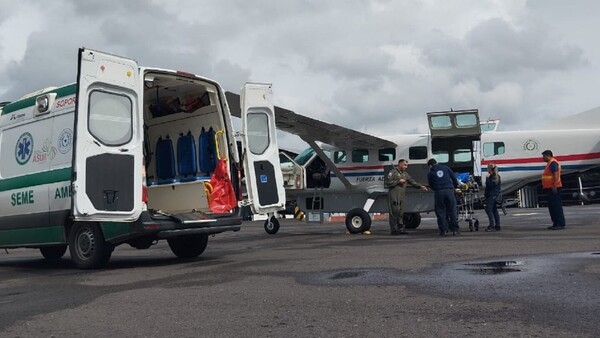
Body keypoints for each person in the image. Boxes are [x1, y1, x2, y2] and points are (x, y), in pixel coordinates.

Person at [384, 159, 428, 235]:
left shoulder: (405, 174)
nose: (406, 167)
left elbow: (412, 181)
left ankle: (401, 229)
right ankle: (394, 229)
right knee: (395, 211)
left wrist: (420, 186)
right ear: (400, 164)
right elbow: (387, 183)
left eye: (407, 165)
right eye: (405, 165)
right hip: (394, 195)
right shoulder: (393, 172)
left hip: (402, 195)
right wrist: (398, 181)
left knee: (401, 212)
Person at [427, 159, 461, 236]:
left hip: (439, 192)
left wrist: (435, 189)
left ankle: (443, 230)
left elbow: (431, 184)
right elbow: (453, 177)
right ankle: (455, 230)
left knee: (440, 211)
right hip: (449, 191)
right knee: (452, 211)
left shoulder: (430, 173)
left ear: (430, 165)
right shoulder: (445, 167)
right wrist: (456, 186)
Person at [541, 150, 566, 230]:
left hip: (554, 188)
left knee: (556, 206)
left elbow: (555, 175)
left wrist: (554, 185)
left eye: (544, 156)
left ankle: (560, 224)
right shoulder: (550, 163)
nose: (543, 158)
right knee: (552, 206)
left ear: (548, 155)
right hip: (550, 188)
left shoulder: (553, 163)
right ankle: (555, 223)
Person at [484, 163, 502, 232]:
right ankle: (497, 225)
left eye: (488, 168)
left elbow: (489, 186)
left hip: (491, 195)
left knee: (489, 209)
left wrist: (487, 178)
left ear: (490, 169)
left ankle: (492, 225)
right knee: (494, 210)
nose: (487, 170)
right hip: (495, 195)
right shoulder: (497, 176)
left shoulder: (492, 177)